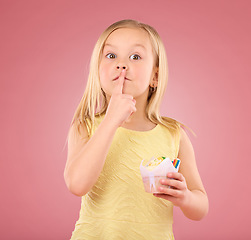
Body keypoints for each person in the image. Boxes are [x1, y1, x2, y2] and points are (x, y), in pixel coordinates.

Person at [64, 19, 208, 240]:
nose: (121, 65)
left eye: (135, 57)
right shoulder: (86, 126)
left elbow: (201, 207)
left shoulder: (174, 134)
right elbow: (77, 184)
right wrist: (111, 120)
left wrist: (185, 197)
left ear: (155, 76)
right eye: (111, 56)